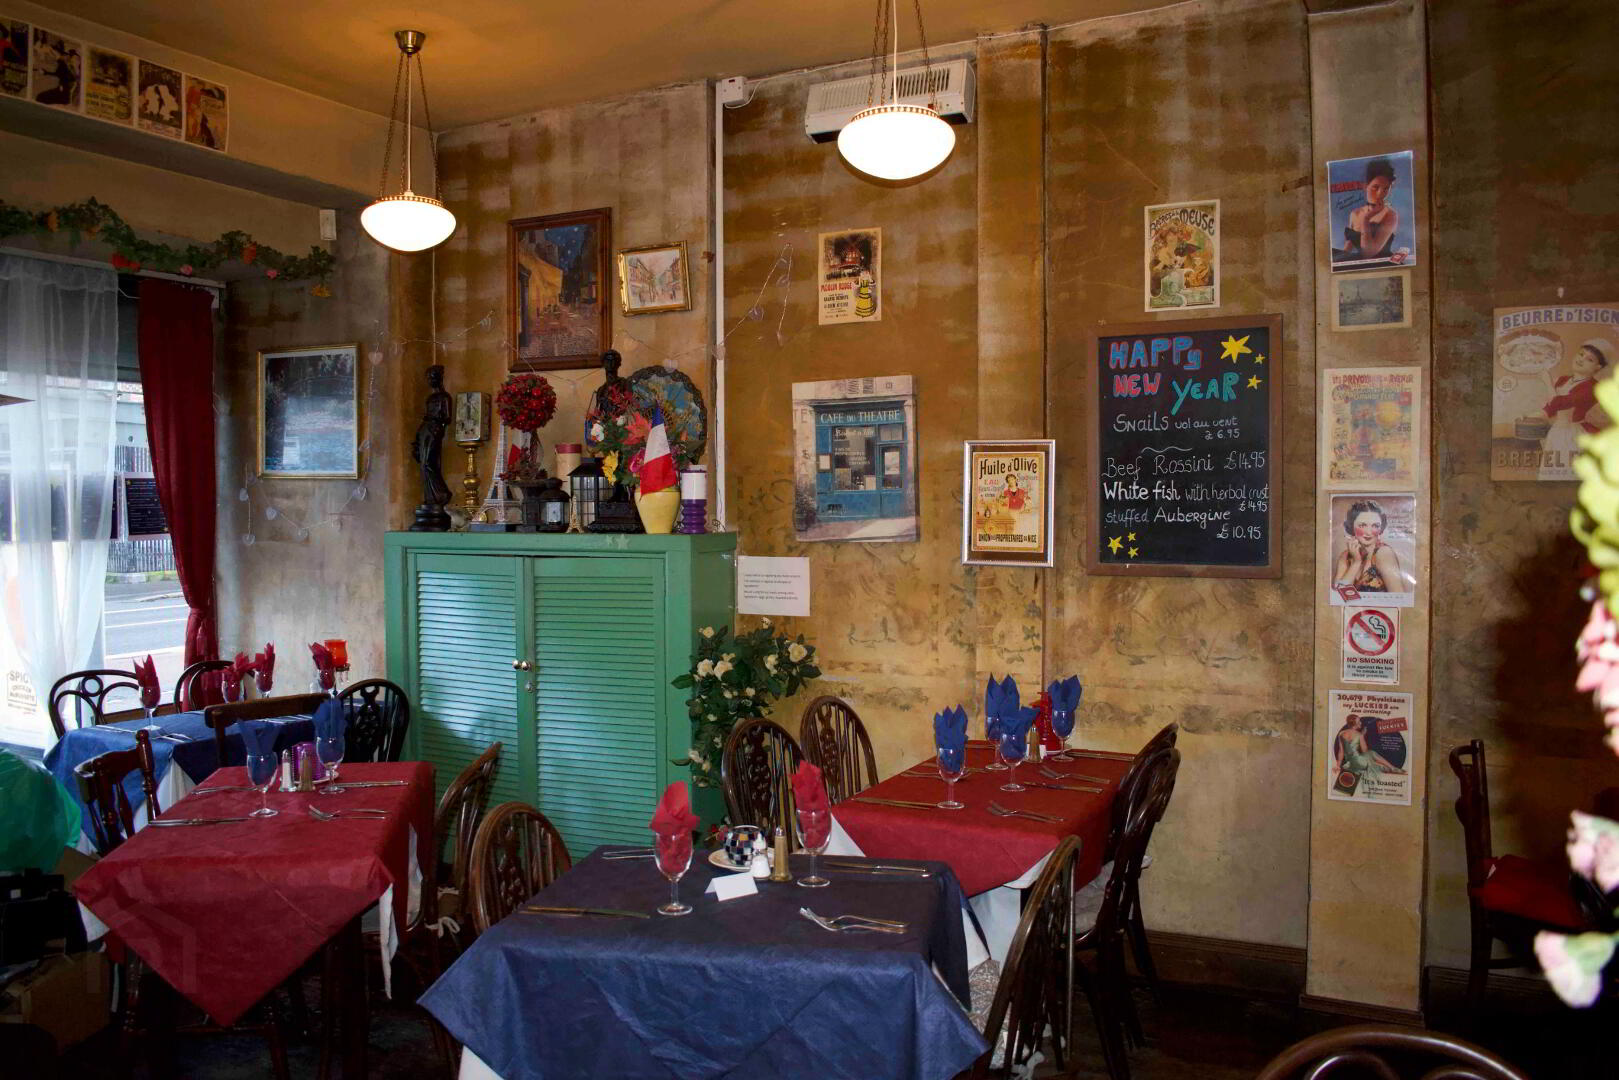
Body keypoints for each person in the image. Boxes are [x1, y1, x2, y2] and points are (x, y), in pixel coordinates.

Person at [1540, 339, 1611, 478]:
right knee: (1551, 473)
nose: (1581, 359)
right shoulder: (1563, 380)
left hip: (1573, 434)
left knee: (1568, 474)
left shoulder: (1592, 388)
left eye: (1590, 359)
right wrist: (1530, 415)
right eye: (1581, 354)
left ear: (1598, 367)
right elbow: (1550, 410)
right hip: (1556, 432)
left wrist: (1547, 382)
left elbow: (1559, 403)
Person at [1334, 157, 1404, 265]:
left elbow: (1368, 253)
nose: (1380, 194)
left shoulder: (1390, 215)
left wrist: (1366, 219)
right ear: (1365, 186)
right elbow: (1347, 250)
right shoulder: (1355, 214)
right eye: (1375, 187)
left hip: (1381, 265)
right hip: (1359, 264)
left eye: (1386, 188)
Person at [1333, 499, 1404, 593]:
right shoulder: (1345, 556)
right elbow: (1337, 595)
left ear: (1381, 528)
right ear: (1351, 526)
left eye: (1375, 526)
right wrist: (1356, 562)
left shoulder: (1384, 553)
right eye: (1362, 525)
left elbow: (1399, 596)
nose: (1368, 532)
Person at [1333, 714, 1406, 788]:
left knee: (1378, 764)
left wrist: (1338, 765)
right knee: (1371, 753)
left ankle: (1390, 768)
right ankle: (1392, 768)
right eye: (1359, 721)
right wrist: (1362, 735)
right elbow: (1365, 751)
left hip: (1350, 763)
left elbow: (1341, 751)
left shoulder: (1341, 733)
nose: (1361, 723)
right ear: (1355, 724)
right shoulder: (1359, 735)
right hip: (1360, 762)